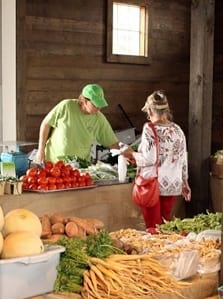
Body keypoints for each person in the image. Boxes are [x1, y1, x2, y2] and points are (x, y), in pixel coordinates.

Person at [121, 90, 191, 231]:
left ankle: (155, 252)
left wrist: (131, 154)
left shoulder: (149, 128)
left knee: (153, 227)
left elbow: (149, 159)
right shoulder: (177, 129)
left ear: (150, 111)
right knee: (164, 225)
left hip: (153, 185)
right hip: (172, 185)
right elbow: (183, 158)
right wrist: (185, 182)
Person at [36, 83, 119, 164]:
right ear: (84, 100)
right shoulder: (66, 106)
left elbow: (112, 143)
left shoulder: (99, 118)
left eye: (100, 105)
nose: (98, 108)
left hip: (79, 167)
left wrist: (126, 153)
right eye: (95, 105)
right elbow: (46, 124)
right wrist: (41, 151)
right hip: (53, 162)